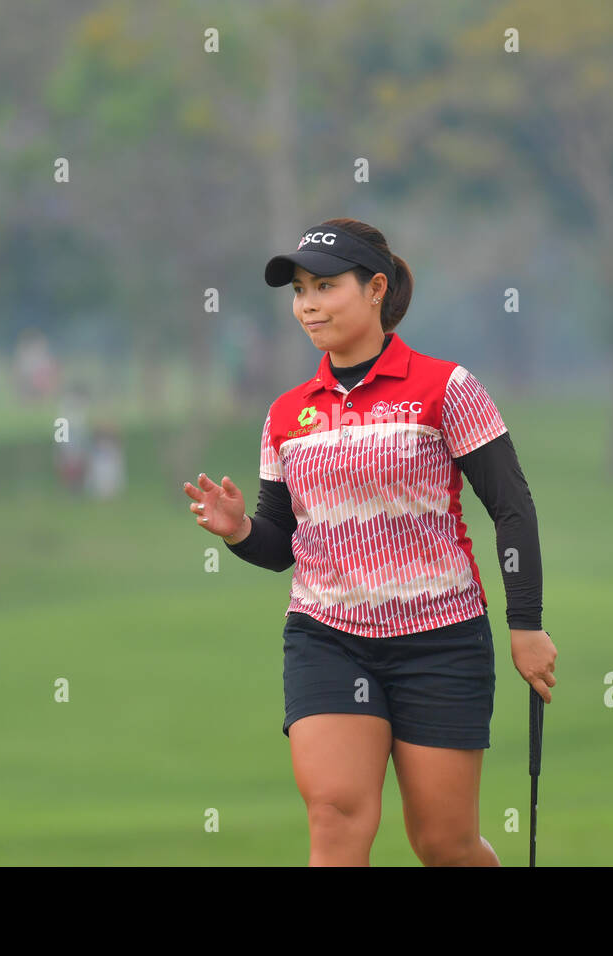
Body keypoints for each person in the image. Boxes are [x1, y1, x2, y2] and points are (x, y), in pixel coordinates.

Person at [182, 218, 556, 866]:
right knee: (334, 819)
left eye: (325, 286)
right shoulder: (287, 414)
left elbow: (512, 508)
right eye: (300, 290)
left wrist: (526, 624)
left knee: (444, 844)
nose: (309, 304)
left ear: (375, 288)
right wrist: (241, 530)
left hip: (440, 638)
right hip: (327, 638)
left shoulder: (446, 388)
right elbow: (283, 545)